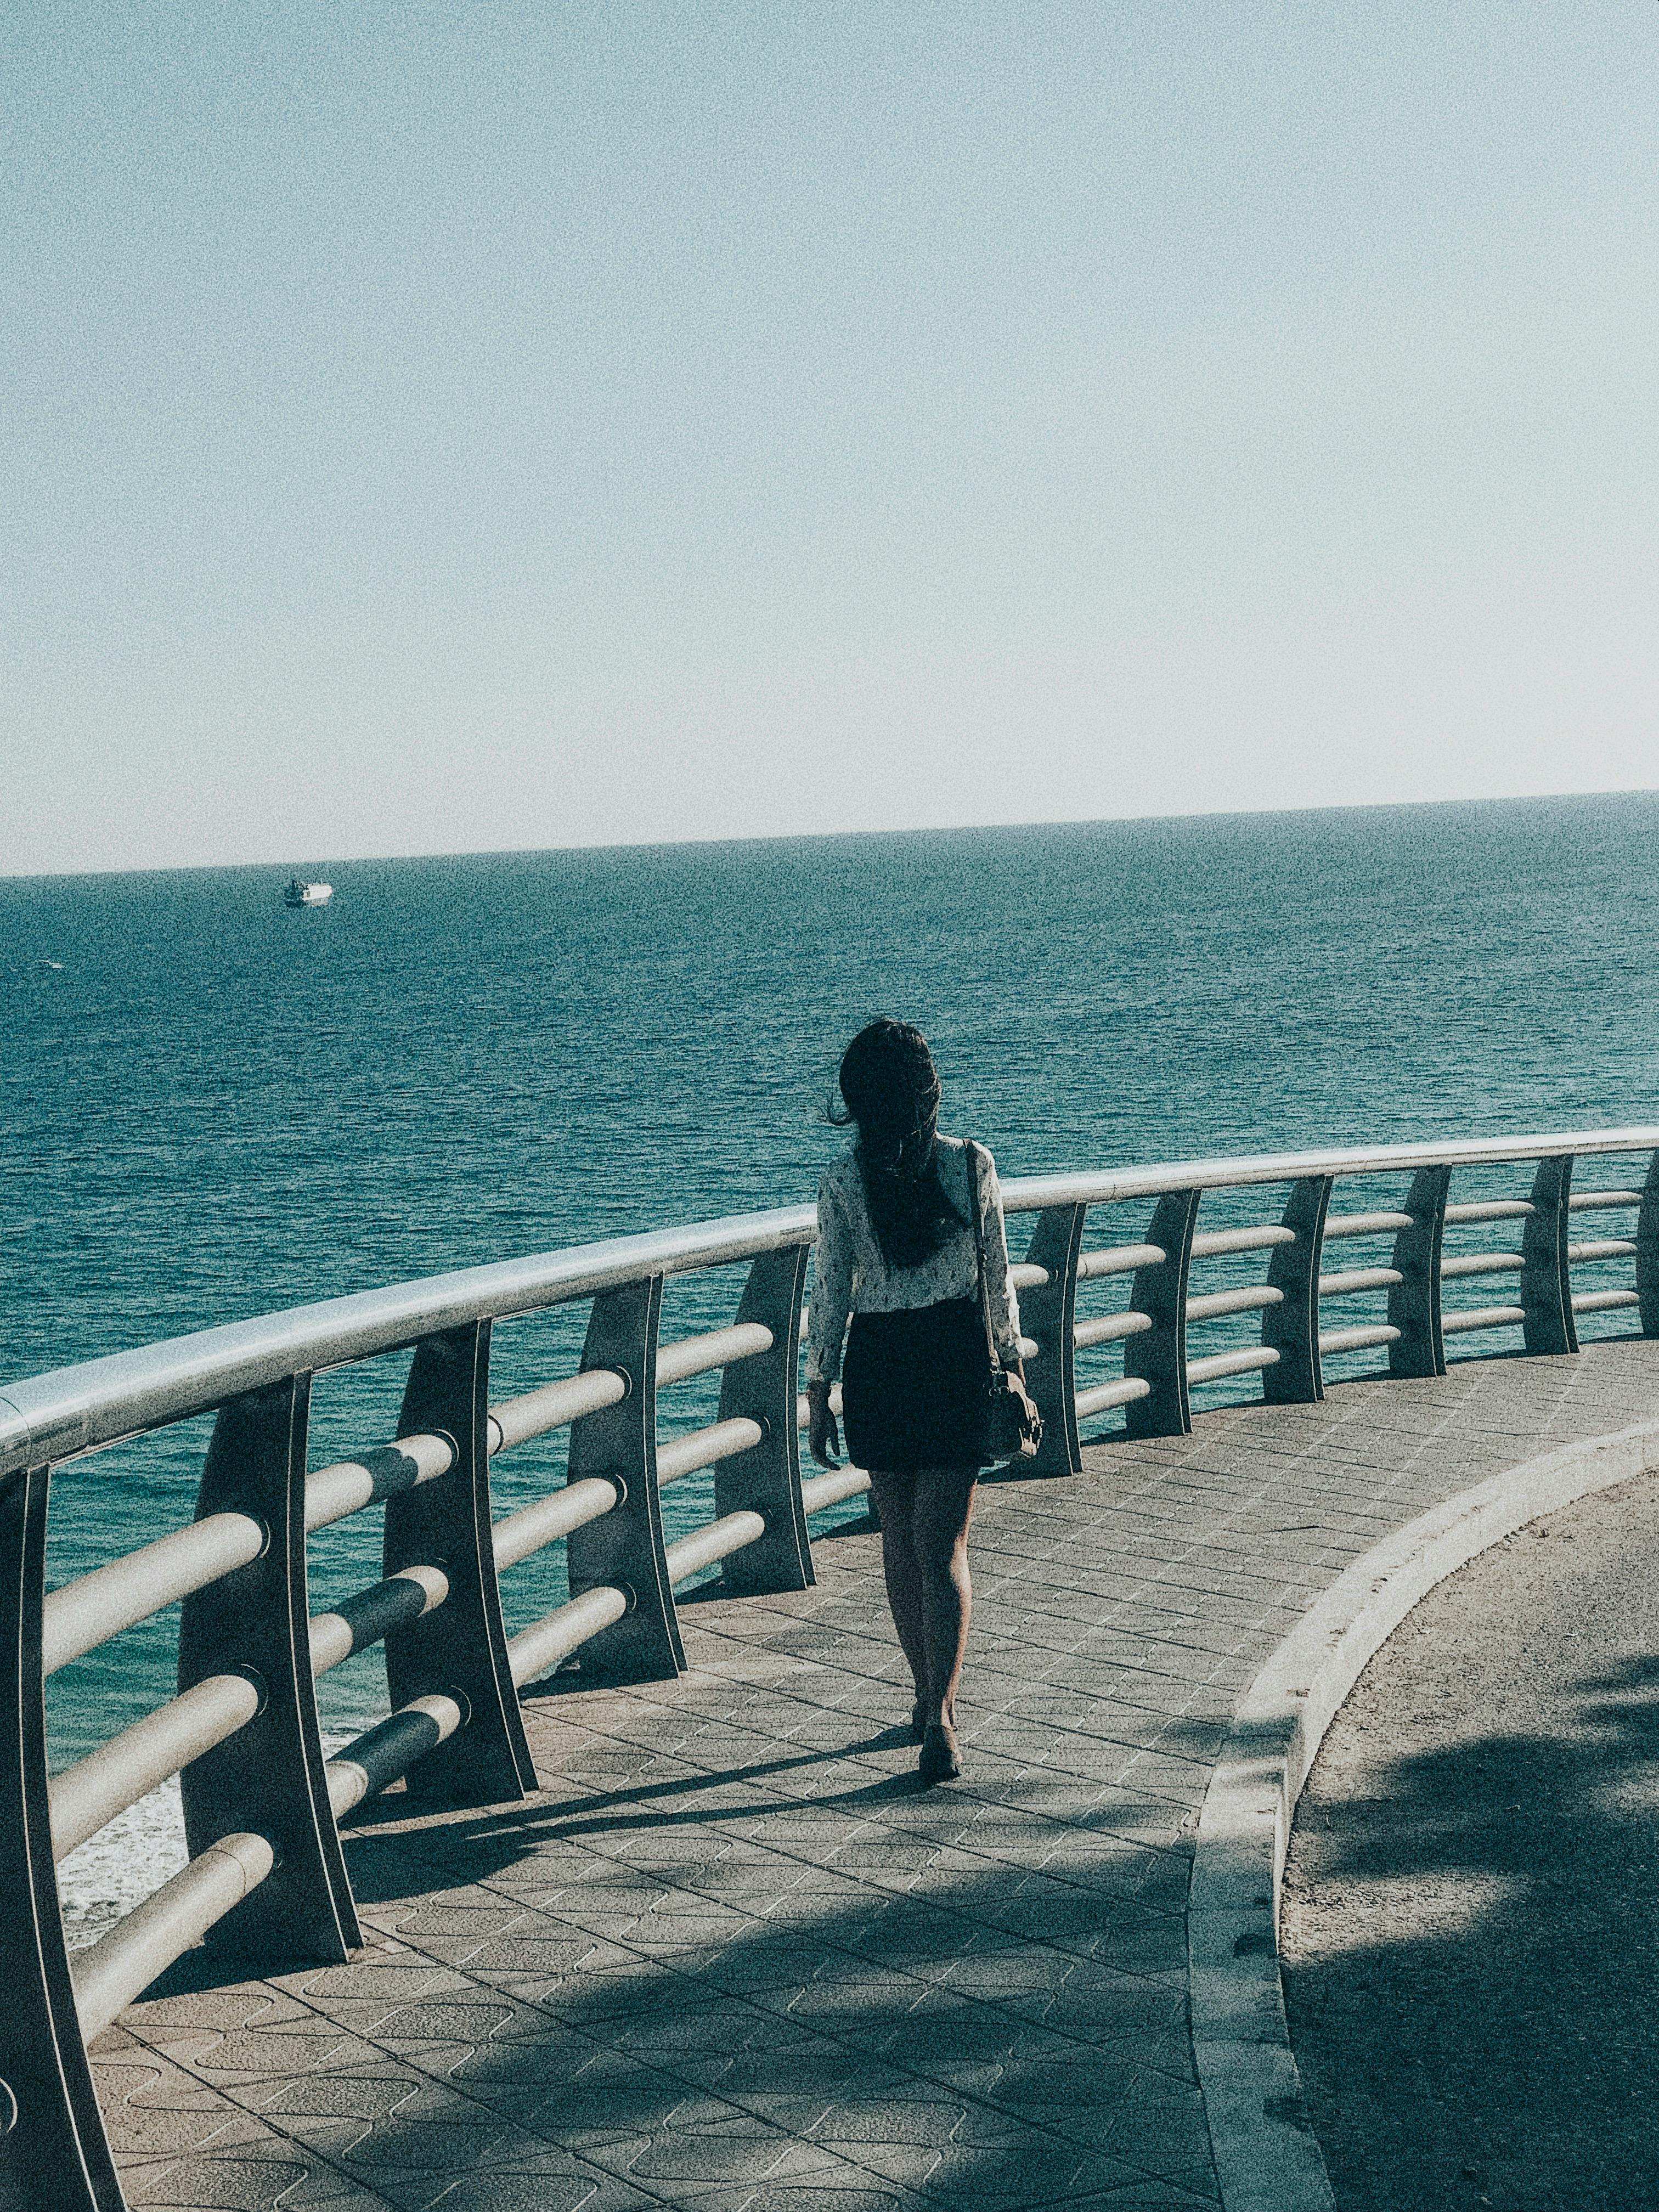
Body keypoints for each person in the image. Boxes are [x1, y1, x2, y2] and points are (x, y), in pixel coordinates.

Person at [804, 1018, 1028, 1784]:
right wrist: (1013, 1365)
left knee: (899, 1545)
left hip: (881, 1363)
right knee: (946, 1549)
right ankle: (942, 1713)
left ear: (856, 1101)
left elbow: (831, 1293)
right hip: (952, 1358)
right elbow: (996, 1277)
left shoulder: (842, 1181)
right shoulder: (971, 1165)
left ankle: (922, 1695)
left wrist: (817, 1386)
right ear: (930, 1091)